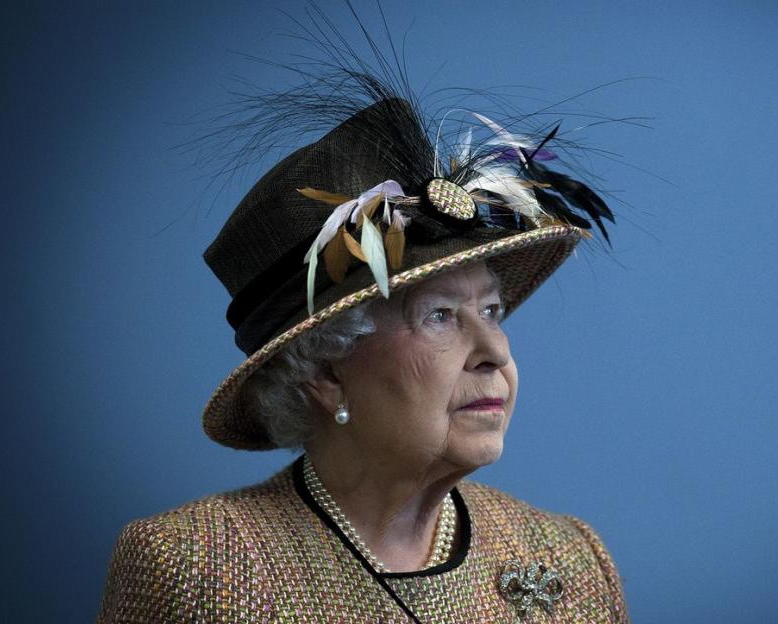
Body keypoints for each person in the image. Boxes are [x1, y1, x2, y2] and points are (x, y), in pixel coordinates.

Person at [96, 39, 629, 623]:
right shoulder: (195, 568)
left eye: (493, 311)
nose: (496, 352)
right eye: (440, 316)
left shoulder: (571, 560)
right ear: (326, 372)